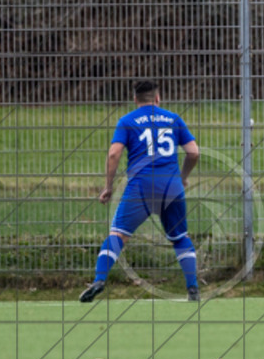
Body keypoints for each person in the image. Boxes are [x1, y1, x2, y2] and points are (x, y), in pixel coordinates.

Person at [80, 80, 201, 302]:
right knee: (180, 237)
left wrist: (108, 187)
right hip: (171, 187)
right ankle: (193, 289)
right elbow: (193, 152)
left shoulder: (127, 121)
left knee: (118, 235)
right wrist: (182, 178)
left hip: (141, 187)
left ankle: (99, 280)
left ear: (135, 100)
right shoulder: (173, 118)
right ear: (158, 97)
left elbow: (114, 153)